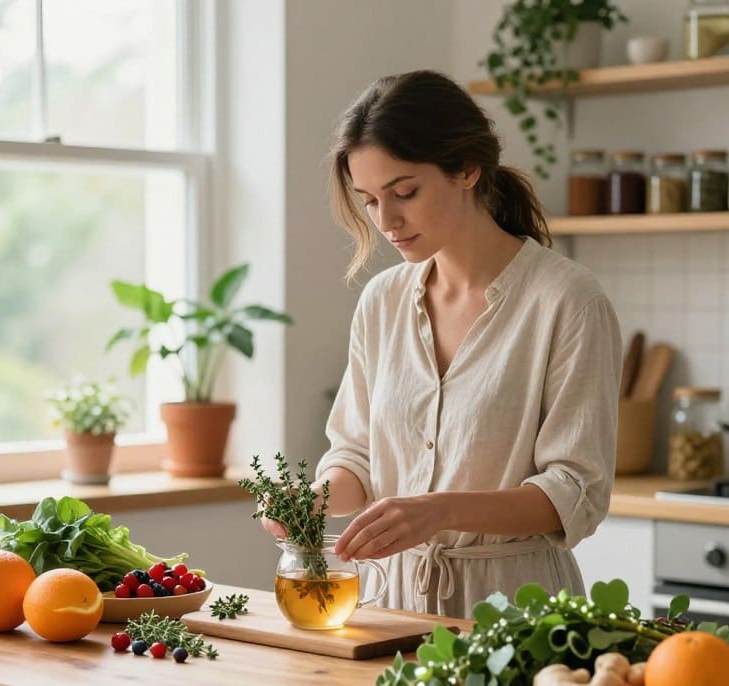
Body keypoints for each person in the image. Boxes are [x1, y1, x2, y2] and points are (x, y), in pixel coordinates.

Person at [262, 69, 622, 618]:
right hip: (389, 608)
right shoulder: (382, 301)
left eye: (404, 192)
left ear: (467, 170)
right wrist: (311, 502)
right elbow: (356, 457)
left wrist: (437, 511)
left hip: (515, 612)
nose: (387, 221)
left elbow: (575, 492)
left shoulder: (567, 299)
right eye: (370, 201)